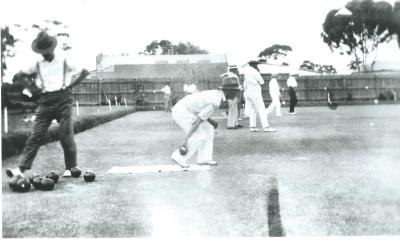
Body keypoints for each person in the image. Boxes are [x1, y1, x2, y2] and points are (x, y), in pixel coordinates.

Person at [6, 31, 89, 178]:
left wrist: (72, 85)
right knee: (36, 135)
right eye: (42, 52)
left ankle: (71, 167)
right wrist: (32, 89)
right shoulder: (37, 64)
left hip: (63, 99)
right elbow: (19, 75)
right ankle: (20, 169)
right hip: (44, 101)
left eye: (46, 51)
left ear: (51, 48)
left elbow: (84, 71)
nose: (45, 54)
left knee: (65, 134)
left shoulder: (64, 61)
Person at [170, 75, 240, 168]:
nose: (236, 94)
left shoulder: (216, 95)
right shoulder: (216, 101)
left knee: (209, 128)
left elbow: (202, 111)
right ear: (228, 91)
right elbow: (198, 120)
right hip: (181, 112)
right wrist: (186, 139)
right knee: (199, 136)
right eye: (235, 91)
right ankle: (178, 156)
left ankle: (204, 158)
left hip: (187, 110)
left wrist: (210, 121)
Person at [242, 60, 276, 132]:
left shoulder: (246, 72)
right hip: (255, 91)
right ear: (254, 65)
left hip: (248, 91)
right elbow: (262, 82)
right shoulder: (255, 71)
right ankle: (266, 127)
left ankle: (252, 127)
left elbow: (244, 83)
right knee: (261, 109)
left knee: (252, 110)